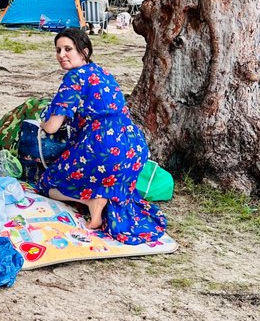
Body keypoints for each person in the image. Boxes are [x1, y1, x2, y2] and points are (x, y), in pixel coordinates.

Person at [39, 27, 167, 244]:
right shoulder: (102, 72)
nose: (61, 55)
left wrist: (43, 122)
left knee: (46, 182)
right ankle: (102, 201)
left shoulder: (74, 78)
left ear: (84, 51)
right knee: (100, 178)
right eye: (58, 50)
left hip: (104, 148)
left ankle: (91, 201)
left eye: (68, 49)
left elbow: (52, 127)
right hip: (133, 148)